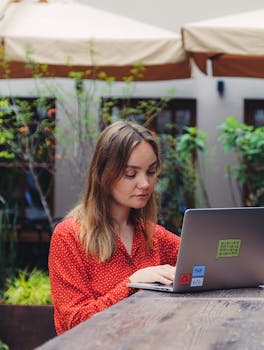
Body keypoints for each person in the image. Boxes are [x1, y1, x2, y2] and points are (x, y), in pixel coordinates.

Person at [48, 120, 180, 335]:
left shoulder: (154, 236)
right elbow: (74, 323)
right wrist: (132, 283)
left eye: (151, 171)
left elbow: (206, 262)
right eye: (131, 174)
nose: (145, 184)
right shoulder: (69, 236)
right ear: (103, 175)